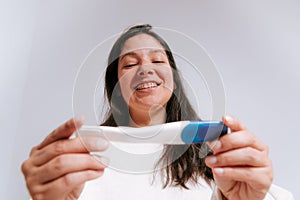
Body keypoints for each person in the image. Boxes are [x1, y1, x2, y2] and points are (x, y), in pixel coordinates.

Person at [21, 24, 294, 200]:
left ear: (172, 77)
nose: (145, 69)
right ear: (114, 85)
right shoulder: (83, 159)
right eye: (129, 65)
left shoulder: (216, 155)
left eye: (157, 60)